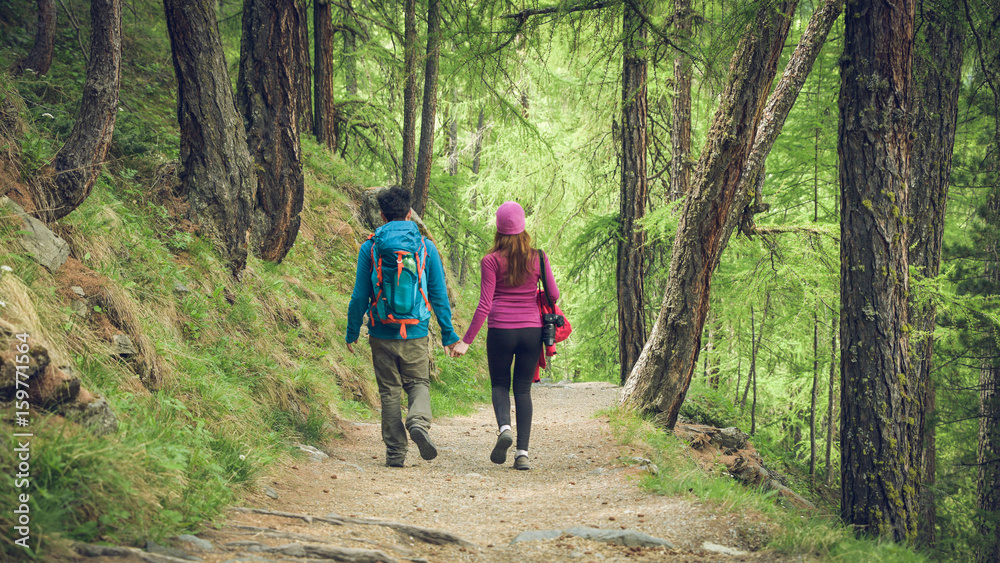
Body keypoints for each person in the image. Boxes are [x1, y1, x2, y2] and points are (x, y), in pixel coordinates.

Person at [346, 186, 460, 467]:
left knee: (389, 392)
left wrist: (351, 332)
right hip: (416, 331)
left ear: (382, 215)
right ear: (409, 213)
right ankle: (418, 422)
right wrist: (449, 334)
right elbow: (438, 294)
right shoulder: (425, 247)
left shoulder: (370, 247)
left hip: (381, 331)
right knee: (418, 383)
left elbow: (360, 295)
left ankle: (396, 453)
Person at [451, 201, 559, 471]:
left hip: (500, 329)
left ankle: (504, 429)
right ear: (524, 227)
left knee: (500, 384)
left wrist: (466, 341)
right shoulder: (539, 257)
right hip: (531, 330)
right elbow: (554, 296)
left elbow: (484, 304)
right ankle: (522, 453)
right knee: (522, 389)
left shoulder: (490, 261)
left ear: (498, 230)